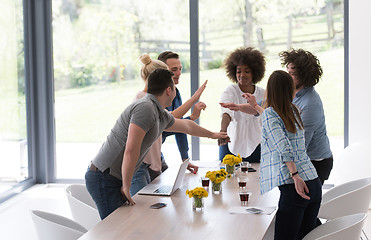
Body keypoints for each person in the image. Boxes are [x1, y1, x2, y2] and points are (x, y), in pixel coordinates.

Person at [85, 69, 227, 220]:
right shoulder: (145, 108)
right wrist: (126, 185)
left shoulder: (157, 111)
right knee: (116, 230)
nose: (175, 92)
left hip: (112, 177)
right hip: (104, 177)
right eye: (174, 87)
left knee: (125, 227)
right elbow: (131, 149)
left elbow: (186, 126)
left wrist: (213, 135)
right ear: (168, 90)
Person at [130, 54, 207, 196]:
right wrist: (194, 101)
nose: (176, 75)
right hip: (142, 163)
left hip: (154, 159)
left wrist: (185, 158)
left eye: (179, 69)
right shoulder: (145, 100)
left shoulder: (170, 94)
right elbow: (167, 122)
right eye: (172, 71)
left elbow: (174, 124)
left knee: (170, 195)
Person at [260, 70, 322, 239]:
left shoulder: (270, 114)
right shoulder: (294, 111)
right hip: (314, 182)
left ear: (271, 90)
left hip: (296, 186)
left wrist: (295, 176)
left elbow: (284, 147)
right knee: (305, 237)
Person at [279, 49, 333, 185]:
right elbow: (270, 106)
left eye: (292, 74)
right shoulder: (291, 93)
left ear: (304, 76)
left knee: (303, 203)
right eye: (288, 72)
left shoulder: (310, 104)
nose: (288, 77)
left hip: (316, 163)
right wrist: (250, 106)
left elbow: (300, 145)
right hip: (303, 159)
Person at [158, 51, 206, 173]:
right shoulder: (154, 96)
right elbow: (167, 126)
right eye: (174, 69)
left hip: (155, 153)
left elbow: (178, 126)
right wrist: (192, 116)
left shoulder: (175, 92)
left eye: (180, 69)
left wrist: (185, 158)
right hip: (140, 158)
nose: (179, 73)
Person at [218, 47, 266, 163]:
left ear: (254, 73)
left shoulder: (263, 93)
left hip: (257, 145)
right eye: (239, 71)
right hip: (231, 144)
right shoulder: (230, 91)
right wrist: (223, 132)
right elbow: (226, 113)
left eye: (246, 71)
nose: (242, 75)